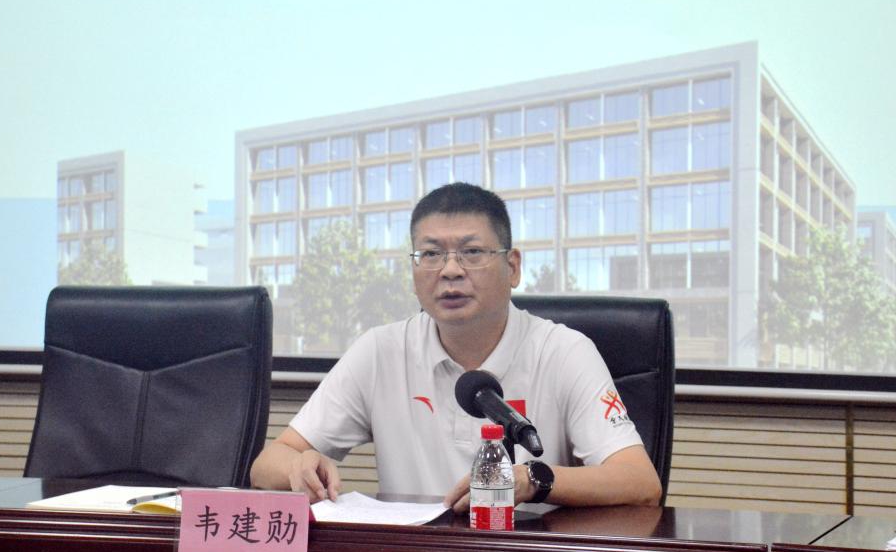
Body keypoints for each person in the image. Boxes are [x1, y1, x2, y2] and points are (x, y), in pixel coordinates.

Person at [250, 182, 662, 511]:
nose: (450, 270)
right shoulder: (380, 351)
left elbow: (640, 483)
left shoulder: (564, 351)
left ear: (513, 267)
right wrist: (299, 466)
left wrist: (531, 479)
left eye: (472, 252)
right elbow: (267, 466)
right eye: (431, 254)